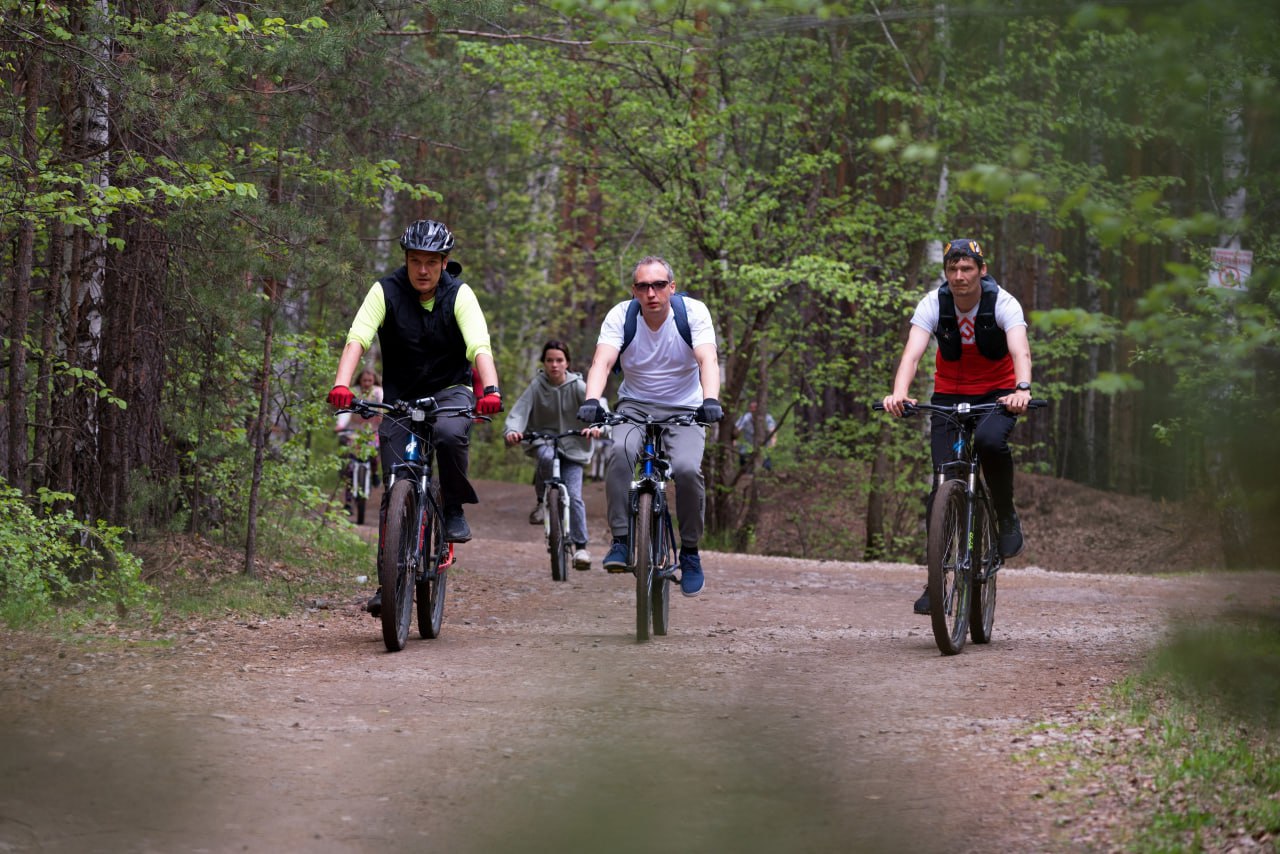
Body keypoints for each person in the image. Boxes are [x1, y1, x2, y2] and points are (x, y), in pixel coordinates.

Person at [327, 219, 503, 615]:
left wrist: (489, 389)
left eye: (431, 262)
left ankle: (453, 506)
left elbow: (478, 344)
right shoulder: (384, 291)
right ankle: (387, 582)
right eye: (414, 261)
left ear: (444, 263)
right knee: (395, 488)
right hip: (401, 397)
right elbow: (358, 337)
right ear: (405, 260)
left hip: (450, 390)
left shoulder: (459, 295)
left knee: (450, 432)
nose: (422, 270)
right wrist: (343, 384)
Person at [881, 237, 1033, 615]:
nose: (960, 276)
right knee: (941, 482)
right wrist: (899, 393)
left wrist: (1022, 389)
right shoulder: (934, 303)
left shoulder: (1003, 303)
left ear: (982, 271)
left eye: (967, 269)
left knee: (990, 442)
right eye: (953, 269)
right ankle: (937, 580)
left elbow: (1020, 350)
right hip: (949, 396)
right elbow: (912, 353)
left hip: (998, 396)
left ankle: (1005, 514)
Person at [577, 255, 723, 597]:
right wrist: (592, 400)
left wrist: (711, 400)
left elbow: (707, 358)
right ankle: (622, 540)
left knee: (687, 470)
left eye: (659, 285)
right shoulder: (621, 316)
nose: (651, 293)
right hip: (635, 405)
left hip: (685, 407)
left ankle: (689, 551)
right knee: (620, 452)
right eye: (643, 286)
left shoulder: (693, 313)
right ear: (634, 291)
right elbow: (602, 360)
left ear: (671, 287)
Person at [503, 340, 597, 571]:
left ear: (567, 363)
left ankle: (581, 547)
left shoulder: (578, 386)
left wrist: (597, 426)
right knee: (545, 457)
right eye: (549, 360)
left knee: (574, 496)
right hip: (544, 441)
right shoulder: (537, 386)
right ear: (543, 363)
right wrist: (513, 430)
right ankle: (541, 500)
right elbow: (519, 411)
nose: (554, 365)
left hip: (574, 445)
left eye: (559, 360)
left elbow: (597, 405)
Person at [734, 400, 777, 469]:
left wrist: (772, 445)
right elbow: (736, 430)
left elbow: (773, 432)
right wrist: (735, 441)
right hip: (748, 447)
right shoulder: (745, 418)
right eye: (751, 407)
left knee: (766, 465)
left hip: (763, 447)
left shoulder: (767, 418)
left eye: (755, 407)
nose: (754, 410)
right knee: (744, 459)